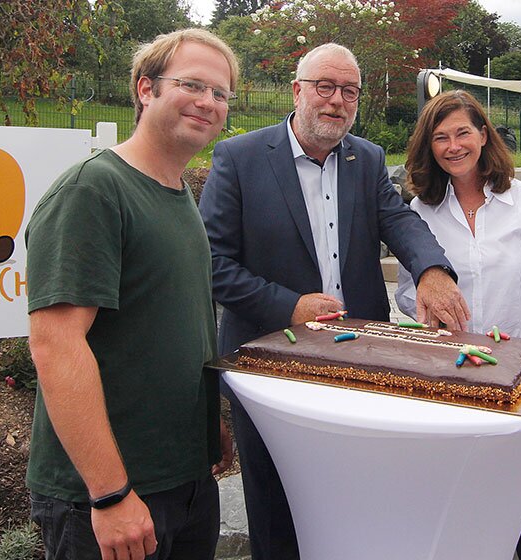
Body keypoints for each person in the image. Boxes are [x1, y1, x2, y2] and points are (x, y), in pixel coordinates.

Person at [199, 43, 470, 559]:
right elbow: (214, 265)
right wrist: (290, 307)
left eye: (349, 91)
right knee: (275, 504)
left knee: (353, 494)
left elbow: (399, 220)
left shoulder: (365, 158)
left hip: (356, 359)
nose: (337, 101)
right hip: (268, 362)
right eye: (325, 87)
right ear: (297, 90)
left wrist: (432, 270)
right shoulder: (239, 158)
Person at [24, 29, 239, 560]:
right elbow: (56, 345)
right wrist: (109, 493)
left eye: (221, 93)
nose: (209, 102)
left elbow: (171, 325)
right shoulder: (93, 191)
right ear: (146, 89)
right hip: (112, 497)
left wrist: (206, 422)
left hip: (184, 481)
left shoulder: (178, 193)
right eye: (193, 84)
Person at [394, 89, 521, 560]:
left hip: (518, 371)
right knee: (456, 504)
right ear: (428, 147)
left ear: (484, 134)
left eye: (463, 133)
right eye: (441, 137)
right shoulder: (420, 212)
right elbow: (407, 295)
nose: (454, 146)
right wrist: (439, 320)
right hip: (452, 372)